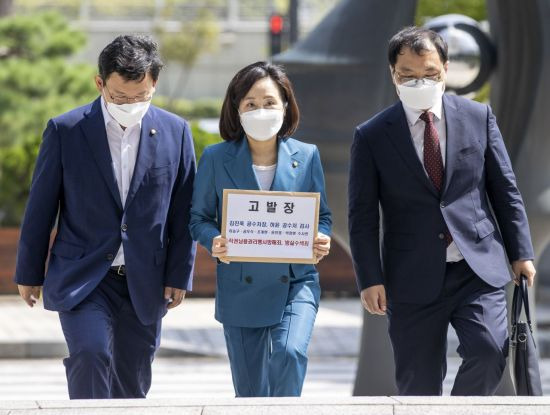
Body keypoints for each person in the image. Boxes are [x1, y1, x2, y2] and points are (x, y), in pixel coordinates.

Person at [348, 26, 536, 396]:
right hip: (410, 275)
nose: (421, 82)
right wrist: (370, 278)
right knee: (418, 383)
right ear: (393, 75)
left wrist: (522, 252)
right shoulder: (371, 135)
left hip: (476, 268)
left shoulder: (478, 117)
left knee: (490, 351)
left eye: (430, 73)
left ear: (446, 69)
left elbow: (505, 191)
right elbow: (363, 215)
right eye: (409, 76)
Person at [14, 35, 197, 399]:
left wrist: (180, 274)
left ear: (154, 84)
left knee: (131, 382)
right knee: (90, 353)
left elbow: (183, 209)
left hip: (144, 280)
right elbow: (41, 207)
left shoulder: (176, 132)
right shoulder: (66, 130)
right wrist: (29, 273)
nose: (130, 105)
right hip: (84, 276)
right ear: (100, 83)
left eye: (140, 97)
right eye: (120, 97)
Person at [190, 61, 332, 397]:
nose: (261, 110)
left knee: (290, 352)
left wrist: (320, 237)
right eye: (251, 103)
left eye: (269, 102)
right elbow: (198, 219)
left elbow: (321, 215)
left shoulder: (308, 156)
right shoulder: (215, 157)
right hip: (241, 285)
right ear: (237, 109)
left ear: (285, 105)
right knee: (250, 393)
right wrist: (215, 241)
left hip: (296, 281)